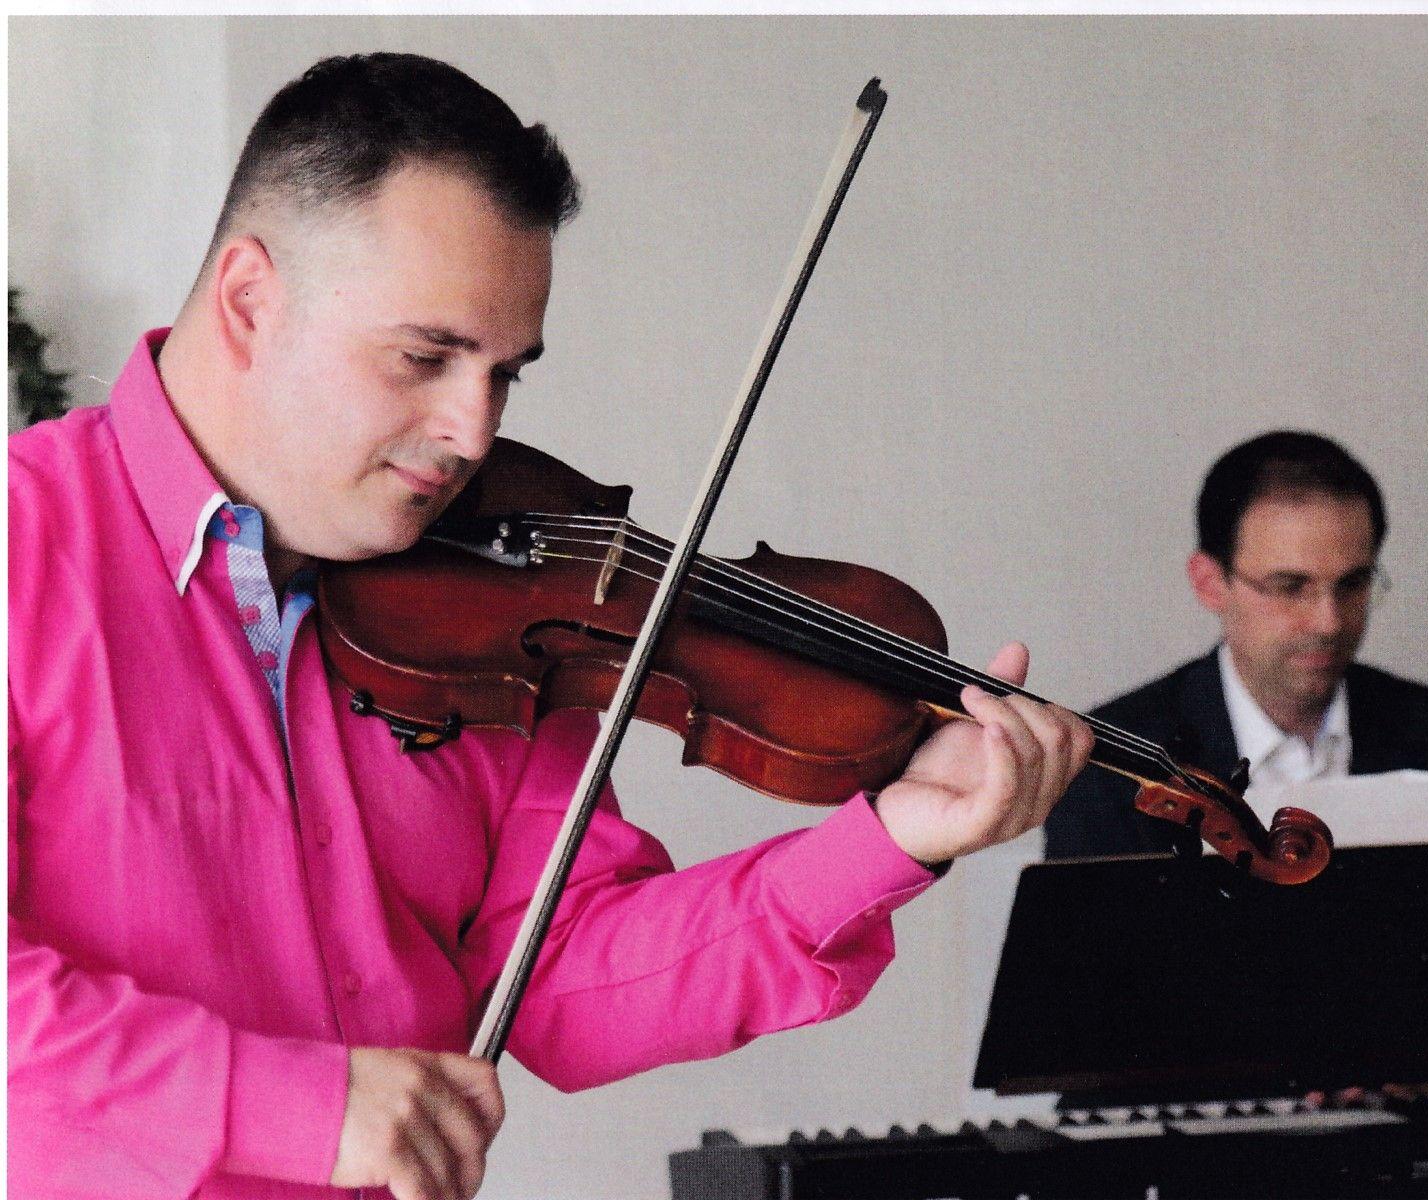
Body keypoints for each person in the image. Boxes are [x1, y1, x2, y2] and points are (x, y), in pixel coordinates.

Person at [8, 54, 1093, 1200]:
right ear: (247, 302)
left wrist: (892, 837)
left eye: (504, 374)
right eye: (424, 358)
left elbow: (568, 972)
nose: (471, 433)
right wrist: (293, 1107)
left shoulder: (496, 608)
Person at [1044, 430, 1428, 860]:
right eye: (1290, 586)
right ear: (1210, 583)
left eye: (1352, 583)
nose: (1328, 622)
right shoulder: (1103, 766)